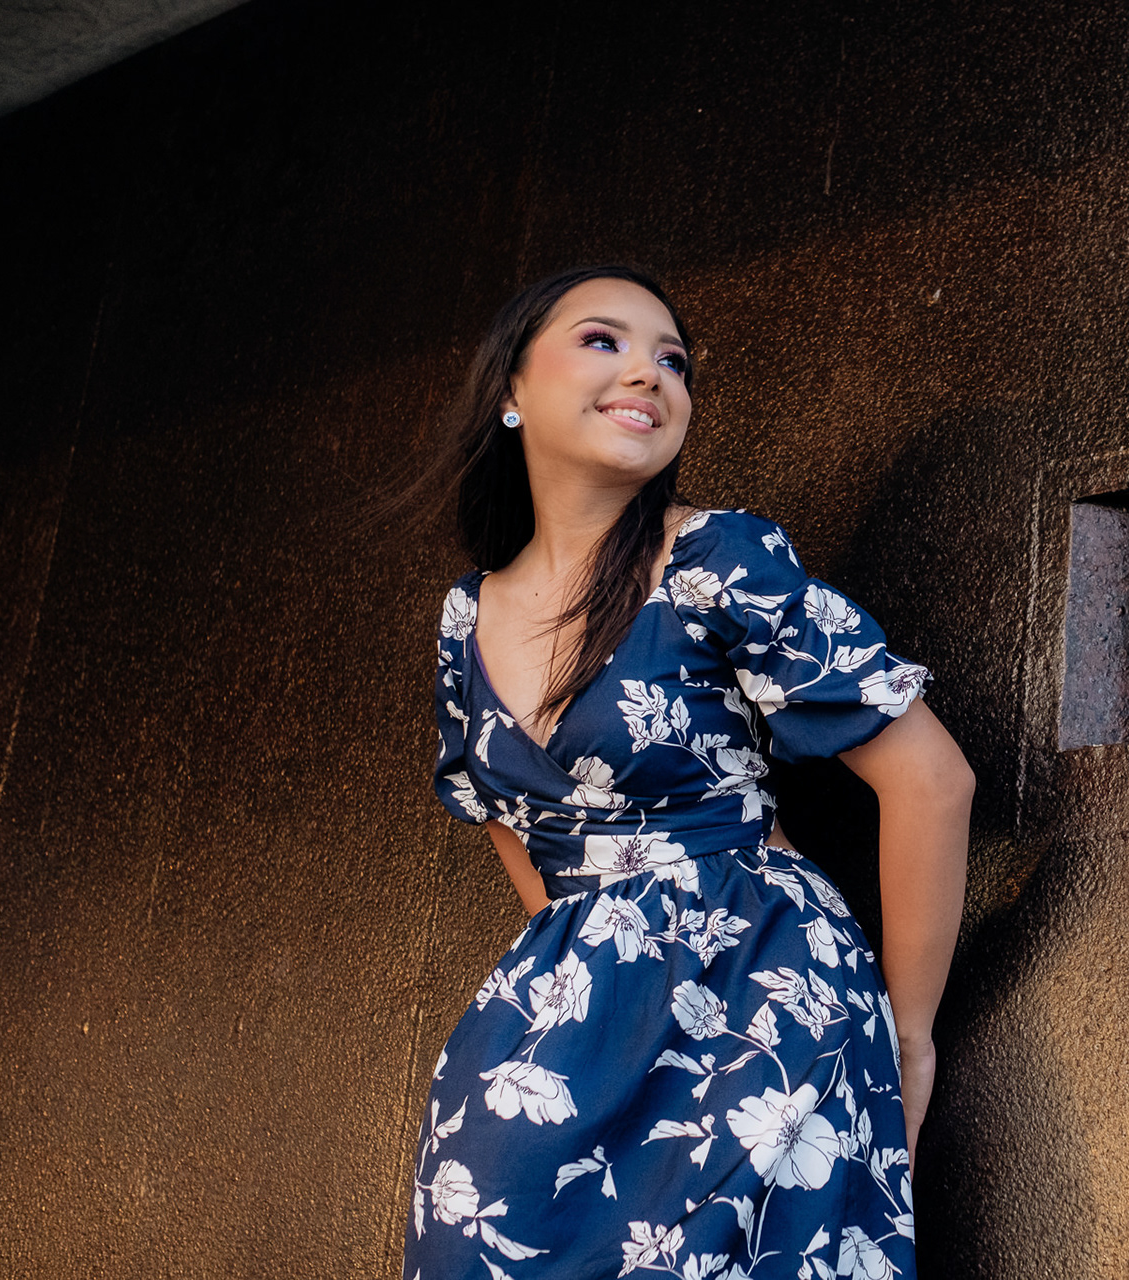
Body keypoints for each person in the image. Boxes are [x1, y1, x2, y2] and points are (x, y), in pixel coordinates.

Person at [402, 265, 973, 1280]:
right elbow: (504, 820)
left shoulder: (718, 557)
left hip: (759, 996)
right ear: (511, 387)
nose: (649, 373)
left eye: (673, 360)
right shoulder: (464, 619)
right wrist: (595, 957)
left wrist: (908, 1034)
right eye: (604, 341)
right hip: (558, 1034)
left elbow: (931, 780)